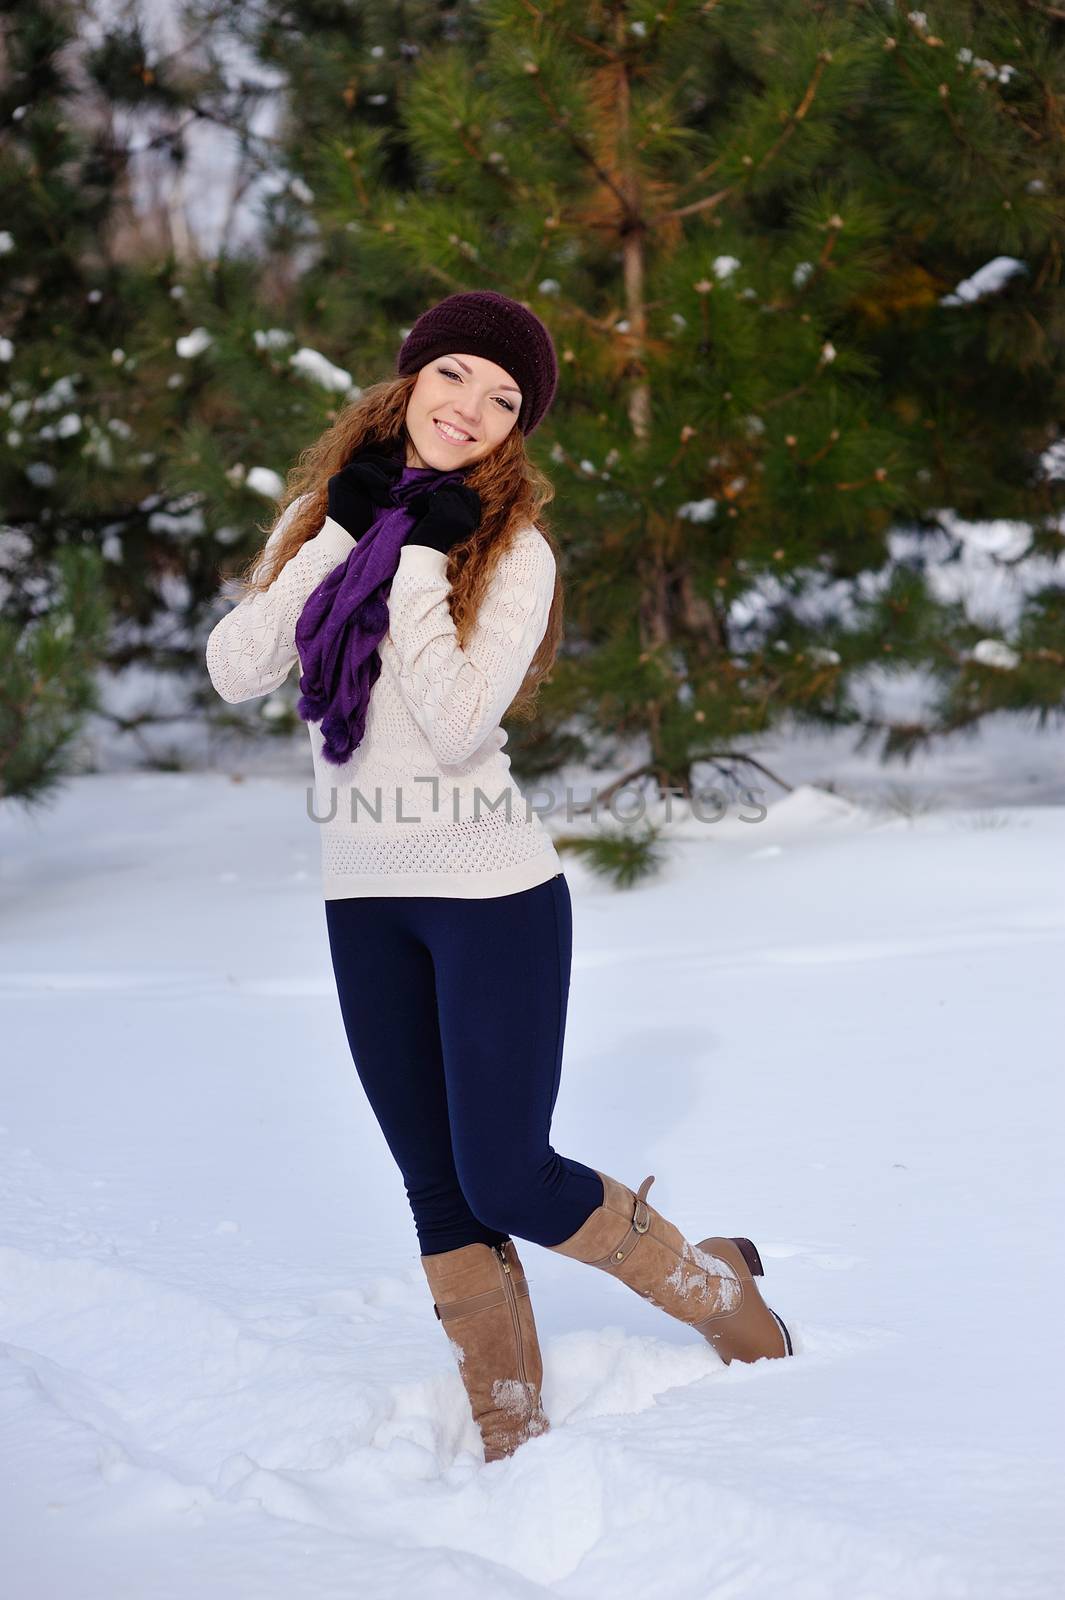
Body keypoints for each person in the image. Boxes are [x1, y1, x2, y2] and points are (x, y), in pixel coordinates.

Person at [205, 290, 793, 1466]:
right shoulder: (323, 513)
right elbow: (236, 668)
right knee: (436, 1184)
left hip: (493, 897)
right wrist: (338, 537)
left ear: (519, 427)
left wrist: (418, 556)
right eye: (457, 377)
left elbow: (463, 717)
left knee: (508, 1172)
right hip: (363, 897)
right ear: (413, 375)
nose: (471, 409)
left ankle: (716, 1289)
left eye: (504, 399)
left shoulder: (511, 549)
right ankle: (508, 1421)